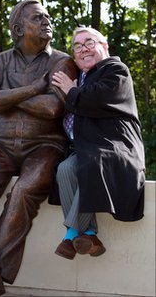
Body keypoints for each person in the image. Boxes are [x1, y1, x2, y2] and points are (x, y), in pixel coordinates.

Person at [0, 0, 78, 297]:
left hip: (44, 145)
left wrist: (5, 96)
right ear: (18, 28)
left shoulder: (62, 62)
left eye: (47, 17)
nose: (46, 21)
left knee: (24, 192)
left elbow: (52, 108)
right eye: (37, 18)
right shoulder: (0, 61)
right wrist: (31, 89)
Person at [52, 26, 145, 260]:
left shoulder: (115, 69)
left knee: (93, 164)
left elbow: (99, 98)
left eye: (89, 43)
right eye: (78, 46)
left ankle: (71, 234)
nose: (84, 49)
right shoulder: (79, 75)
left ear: (105, 46)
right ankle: (91, 234)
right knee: (64, 169)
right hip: (86, 146)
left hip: (116, 144)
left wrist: (71, 90)